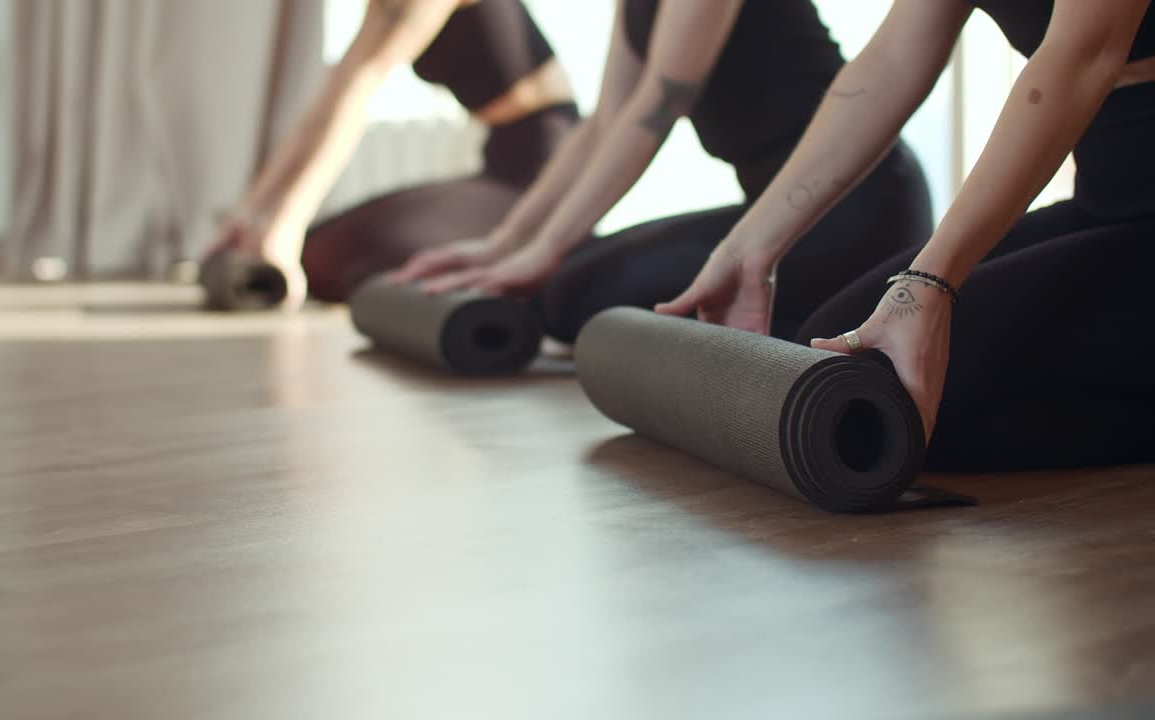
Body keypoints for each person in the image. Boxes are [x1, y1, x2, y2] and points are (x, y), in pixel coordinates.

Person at [659, 0, 1155, 471]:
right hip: (1106, 202)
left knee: (869, 421)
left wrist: (928, 282)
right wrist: (749, 247)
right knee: (840, 378)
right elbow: (893, 57)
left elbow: (1081, 55)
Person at [395, 0, 934, 345]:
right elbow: (606, 120)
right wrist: (507, 242)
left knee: (567, 297)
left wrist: (545, 249)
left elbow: (656, 108)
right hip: (765, 214)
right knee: (561, 282)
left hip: (855, 210)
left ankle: (825, 325)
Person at [209, 0, 579, 306]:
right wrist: (251, 212)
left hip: (547, 175)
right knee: (318, 251)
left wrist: (284, 223)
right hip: (502, 166)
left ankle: (560, 264)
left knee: (323, 259)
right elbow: (328, 97)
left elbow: (358, 85)